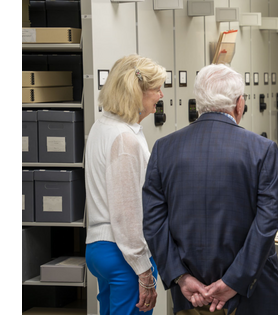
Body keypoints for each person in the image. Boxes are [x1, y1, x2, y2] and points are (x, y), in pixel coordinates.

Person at [142, 63, 278, 315]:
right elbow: (267, 223)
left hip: (191, 294)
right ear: (240, 104)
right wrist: (233, 282)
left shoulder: (163, 148)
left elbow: (154, 221)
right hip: (253, 291)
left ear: (198, 103)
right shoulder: (262, 149)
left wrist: (181, 277)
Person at [85, 54, 166, 314]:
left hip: (100, 249)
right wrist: (144, 270)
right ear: (136, 92)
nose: (161, 95)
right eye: (156, 89)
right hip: (123, 255)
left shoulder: (103, 126)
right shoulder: (124, 139)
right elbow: (126, 211)